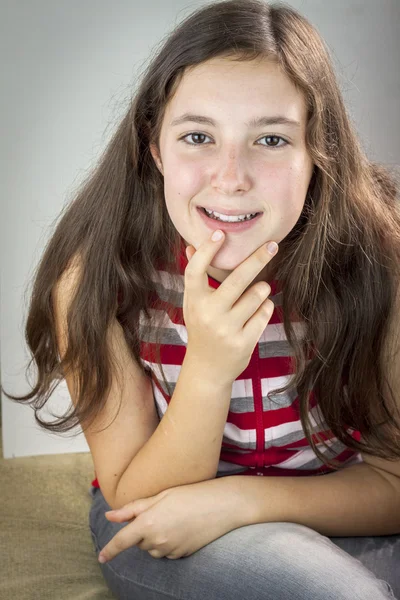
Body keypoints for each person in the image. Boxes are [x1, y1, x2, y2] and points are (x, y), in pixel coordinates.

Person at [3, 0, 400, 598]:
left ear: (317, 154)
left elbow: (393, 488)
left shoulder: (380, 260)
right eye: (197, 137)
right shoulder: (95, 278)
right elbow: (134, 496)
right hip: (172, 528)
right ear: (156, 148)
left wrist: (239, 498)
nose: (231, 175)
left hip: (337, 507)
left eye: (270, 138)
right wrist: (210, 368)